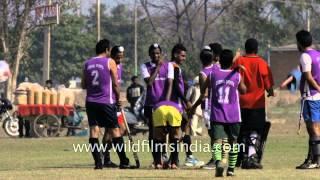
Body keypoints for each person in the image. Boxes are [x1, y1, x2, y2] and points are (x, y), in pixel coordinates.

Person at [81, 39, 130, 169]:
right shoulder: (110, 62)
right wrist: (118, 97)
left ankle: (98, 163)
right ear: (107, 50)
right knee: (115, 130)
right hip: (106, 102)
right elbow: (115, 83)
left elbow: (83, 84)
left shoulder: (87, 63)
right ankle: (124, 161)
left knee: (94, 131)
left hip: (91, 102)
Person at [201, 49, 246, 177]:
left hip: (217, 114)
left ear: (220, 60)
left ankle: (219, 162)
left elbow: (203, 88)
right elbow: (243, 90)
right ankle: (231, 169)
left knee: (216, 141)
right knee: (233, 142)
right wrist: (239, 73)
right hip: (234, 115)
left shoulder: (213, 74)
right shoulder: (236, 75)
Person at [233, 38, 274, 169]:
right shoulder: (262, 63)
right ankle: (251, 156)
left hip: (240, 103)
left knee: (242, 130)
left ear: (245, 49)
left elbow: (231, 76)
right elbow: (268, 84)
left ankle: (240, 156)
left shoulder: (239, 61)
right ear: (257, 49)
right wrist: (270, 91)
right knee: (255, 130)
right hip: (257, 104)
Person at [168, 43, 204, 167]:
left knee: (184, 129)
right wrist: (186, 101)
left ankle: (178, 158)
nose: (184, 58)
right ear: (175, 54)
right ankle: (178, 158)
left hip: (177, 103)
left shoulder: (176, 67)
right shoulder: (174, 67)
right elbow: (177, 88)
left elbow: (181, 85)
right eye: (182, 56)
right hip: (175, 104)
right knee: (179, 131)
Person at [140, 43, 174, 165]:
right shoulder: (145, 66)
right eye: (153, 53)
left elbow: (170, 84)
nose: (156, 55)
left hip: (164, 104)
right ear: (149, 54)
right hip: (150, 104)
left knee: (164, 131)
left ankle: (164, 155)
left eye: (158, 53)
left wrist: (167, 102)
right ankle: (156, 159)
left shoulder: (169, 66)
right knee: (153, 132)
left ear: (161, 53)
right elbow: (149, 83)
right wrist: (158, 68)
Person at [295, 30, 320, 169]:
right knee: (314, 129)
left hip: (311, 96)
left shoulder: (305, 56)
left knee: (313, 128)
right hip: (316, 97)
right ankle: (311, 159)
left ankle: (316, 160)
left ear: (300, 43)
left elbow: (309, 77)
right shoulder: (318, 54)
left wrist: (318, 88)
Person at [101, 45, 127, 168]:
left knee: (118, 130)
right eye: (117, 57)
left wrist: (119, 99)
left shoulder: (119, 67)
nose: (119, 60)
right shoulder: (107, 65)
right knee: (112, 130)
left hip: (115, 102)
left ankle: (104, 155)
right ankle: (105, 157)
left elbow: (117, 85)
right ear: (112, 55)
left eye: (121, 57)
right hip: (108, 102)